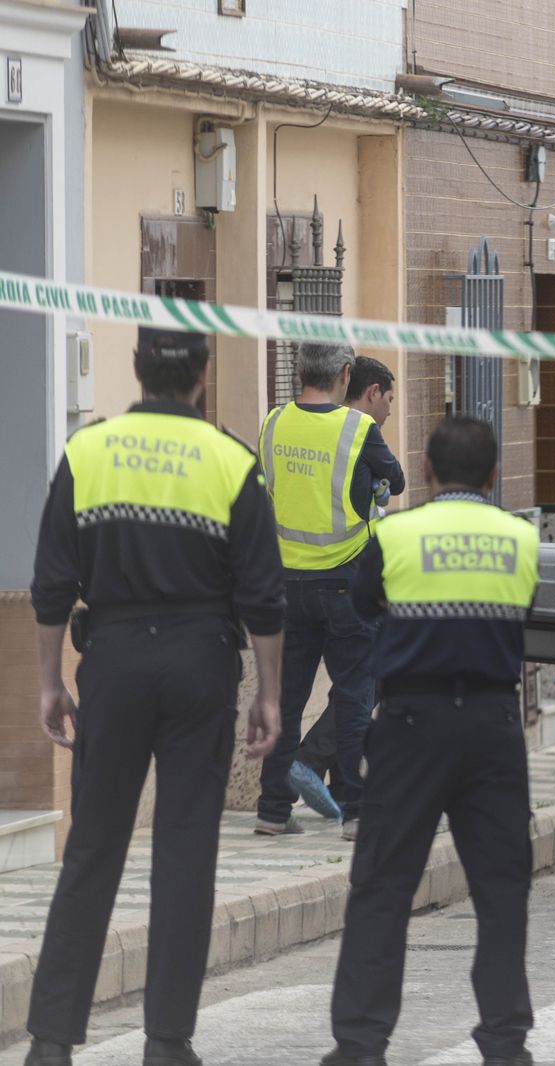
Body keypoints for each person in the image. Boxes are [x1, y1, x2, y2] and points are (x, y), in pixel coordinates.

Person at [24, 328, 285, 1066]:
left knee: (93, 849)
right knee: (184, 850)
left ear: (136, 371)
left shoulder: (88, 451)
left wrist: (51, 680)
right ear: (204, 374)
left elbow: (50, 585)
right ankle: (167, 1042)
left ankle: (50, 1040)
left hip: (112, 658)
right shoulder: (232, 459)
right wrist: (269, 693)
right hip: (202, 661)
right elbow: (263, 597)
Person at [322, 418, 539, 1066]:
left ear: (428, 469)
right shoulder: (520, 540)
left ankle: (360, 1046)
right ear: (494, 473)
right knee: (501, 890)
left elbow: (365, 605)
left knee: (382, 887)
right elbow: (521, 613)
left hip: (410, 727)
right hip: (494, 729)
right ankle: (505, 1045)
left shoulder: (394, 534)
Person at [256, 343, 405, 841]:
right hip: (346, 583)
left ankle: (273, 811)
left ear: (299, 372)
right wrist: (373, 487)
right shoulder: (359, 429)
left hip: (287, 584)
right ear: (346, 375)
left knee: (287, 697)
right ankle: (357, 814)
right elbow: (397, 481)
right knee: (355, 697)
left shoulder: (274, 423)